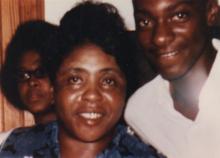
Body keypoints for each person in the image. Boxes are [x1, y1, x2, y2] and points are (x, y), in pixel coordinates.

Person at [0, 2, 163, 158]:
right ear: (53, 86)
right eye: (75, 79)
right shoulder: (11, 147)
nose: (92, 95)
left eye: (108, 81)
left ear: (125, 88)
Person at [125, 0, 220, 157]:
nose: (160, 38)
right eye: (145, 21)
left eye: (179, 16)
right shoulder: (140, 111)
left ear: (211, 12)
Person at [0, 20, 57, 124]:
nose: (31, 82)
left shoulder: (83, 137)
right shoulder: (8, 139)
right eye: (23, 75)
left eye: (40, 73)